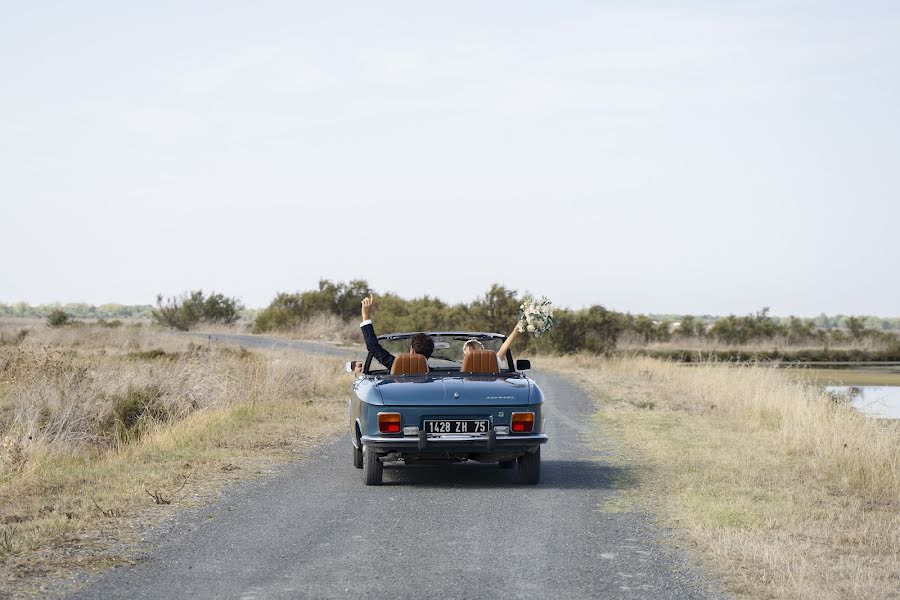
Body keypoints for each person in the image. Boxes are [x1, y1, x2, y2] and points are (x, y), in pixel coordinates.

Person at [360, 294, 434, 371]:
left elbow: (373, 347)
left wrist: (366, 316)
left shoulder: (396, 366)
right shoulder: (436, 378)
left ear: (413, 351)